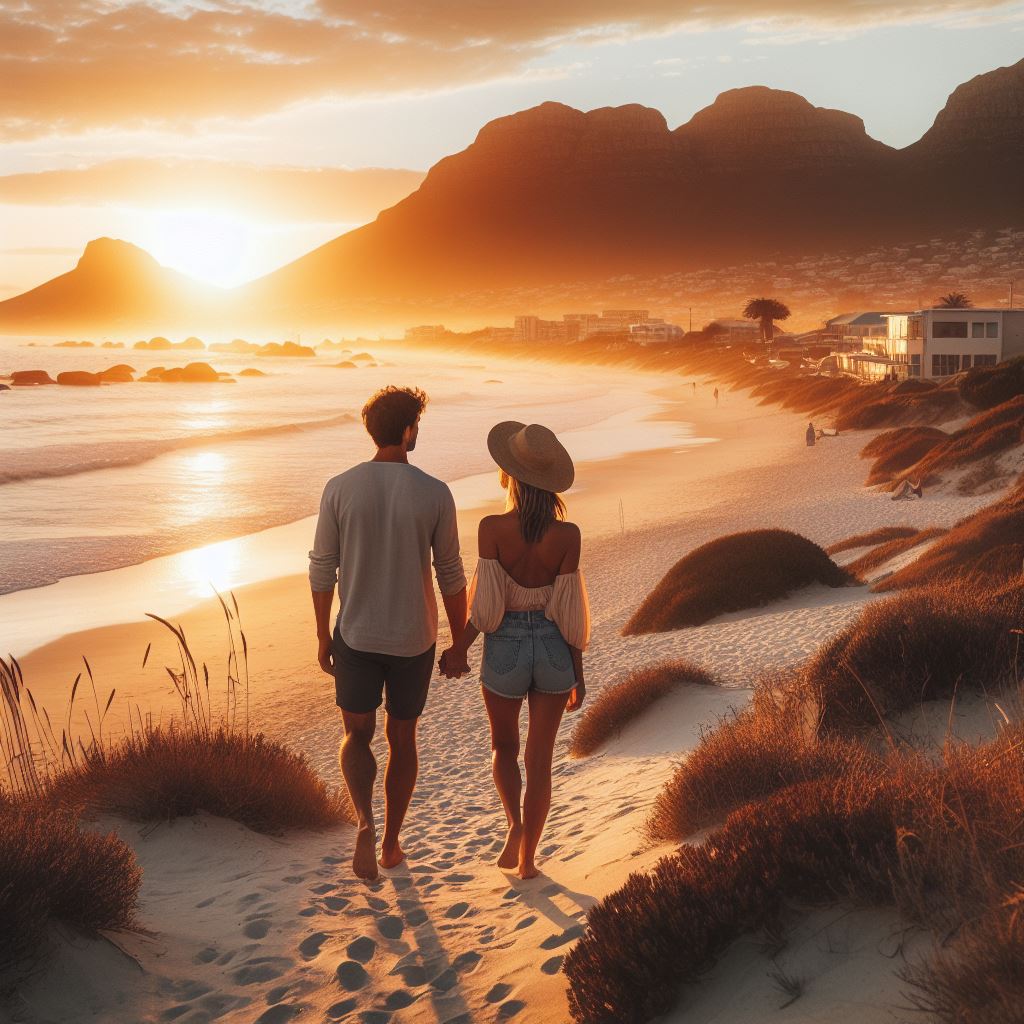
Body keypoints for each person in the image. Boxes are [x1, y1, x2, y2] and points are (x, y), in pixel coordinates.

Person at [309, 386, 468, 880]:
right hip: (413, 640)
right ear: (407, 430)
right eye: (416, 425)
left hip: (355, 635)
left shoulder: (339, 487)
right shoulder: (434, 492)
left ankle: (363, 820)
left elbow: (321, 571)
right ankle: (392, 844)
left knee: (356, 735)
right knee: (402, 738)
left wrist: (322, 636)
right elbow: (451, 575)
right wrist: (459, 644)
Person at [441, 422, 589, 880]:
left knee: (504, 747)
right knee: (539, 761)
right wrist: (577, 672)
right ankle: (528, 860)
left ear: (510, 475)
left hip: (504, 644)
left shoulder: (492, 529)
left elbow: (486, 605)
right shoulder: (568, 536)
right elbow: (568, 612)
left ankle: (514, 824)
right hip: (551, 647)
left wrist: (458, 650)